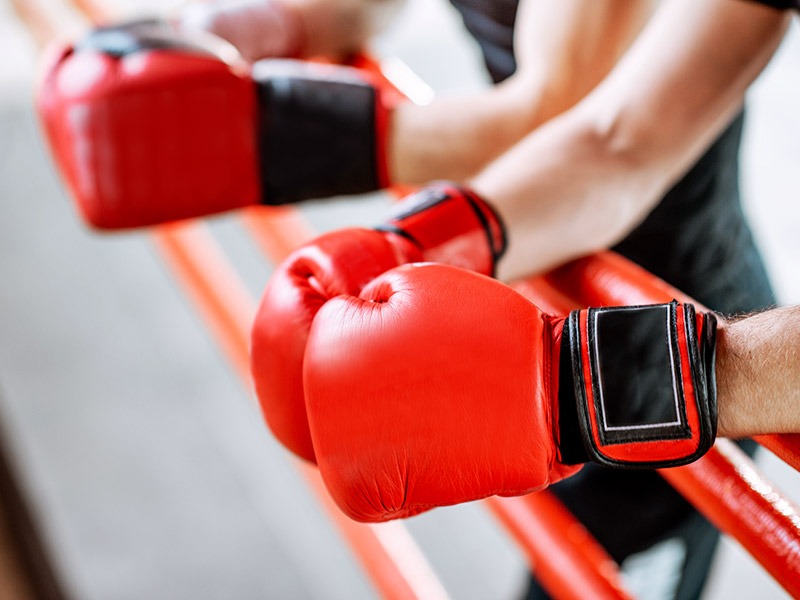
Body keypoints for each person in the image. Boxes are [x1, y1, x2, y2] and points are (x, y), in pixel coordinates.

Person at [36, 1, 795, 599]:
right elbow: (607, 141)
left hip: (675, 322)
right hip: (545, 280)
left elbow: (581, 119)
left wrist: (609, 384)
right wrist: (272, 28)